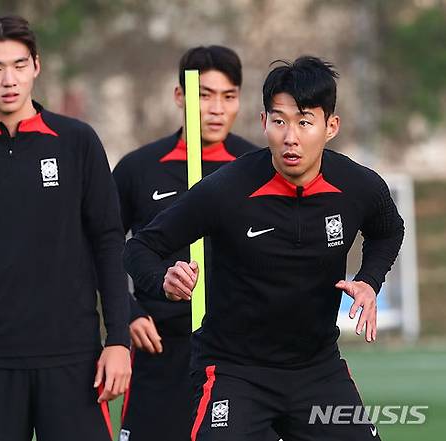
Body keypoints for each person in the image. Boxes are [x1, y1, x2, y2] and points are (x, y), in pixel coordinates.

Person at [123, 56, 404, 441]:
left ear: (330, 127)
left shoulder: (359, 187)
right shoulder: (227, 189)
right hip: (234, 371)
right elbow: (140, 248)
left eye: (305, 121)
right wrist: (162, 280)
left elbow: (389, 230)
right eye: (279, 121)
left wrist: (370, 280)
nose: (291, 136)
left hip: (316, 369)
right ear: (263, 123)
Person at [0, 15, 131, 441]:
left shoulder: (76, 141)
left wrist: (118, 340)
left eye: (19, 65)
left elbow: (109, 243)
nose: (9, 79)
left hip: (72, 357)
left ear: (37, 65)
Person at [113, 45, 266, 441]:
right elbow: (103, 247)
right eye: (205, 94)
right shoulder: (138, 168)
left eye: (229, 96)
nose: (217, 109)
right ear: (179, 96)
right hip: (160, 350)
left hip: (237, 356)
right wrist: (126, 312)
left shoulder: (259, 168)